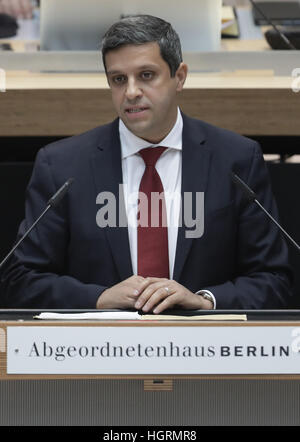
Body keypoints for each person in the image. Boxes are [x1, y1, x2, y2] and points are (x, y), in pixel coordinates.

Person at [0, 15, 293, 311]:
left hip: (202, 349)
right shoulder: (62, 167)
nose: (131, 92)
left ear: (179, 77)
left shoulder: (236, 160)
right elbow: (21, 280)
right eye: (118, 79)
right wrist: (99, 299)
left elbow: (274, 280)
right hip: (99, 350)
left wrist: (204, 302)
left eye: (146, 75)